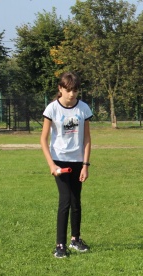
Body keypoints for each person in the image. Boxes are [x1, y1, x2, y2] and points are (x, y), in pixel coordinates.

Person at [40, 71, 93, 258]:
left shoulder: (83, 108)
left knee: (76, 201)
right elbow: (43, 139)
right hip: (59, 160)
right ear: (60, 89)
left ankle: (75, 239)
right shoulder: (52, 109)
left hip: (78, 160)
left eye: (75, 90)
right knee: (65, 200)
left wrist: (85, 164)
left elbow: (87, 138)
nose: (72, 94)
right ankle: (60, 245)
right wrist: (51, 165)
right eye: (68, 90)